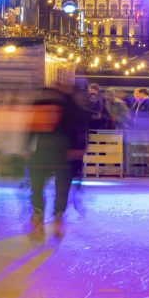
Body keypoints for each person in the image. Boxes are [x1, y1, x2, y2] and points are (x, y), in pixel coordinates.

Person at [28, 83, 87, 239]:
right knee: (58, 187)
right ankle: (53, 215)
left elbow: (30, 126)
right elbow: (79, 126)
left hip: (50, 152)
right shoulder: (69, 104)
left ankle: (43, 215)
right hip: (60, 152)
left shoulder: (46, 103)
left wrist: (26, 147)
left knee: (41, 186)